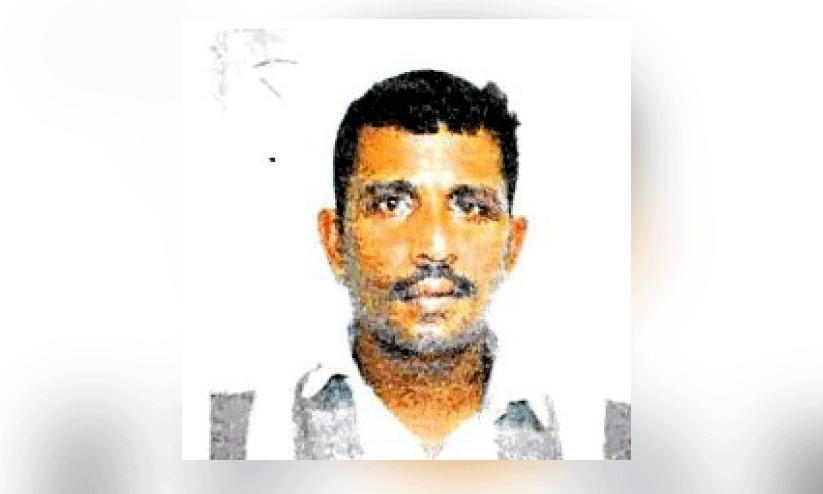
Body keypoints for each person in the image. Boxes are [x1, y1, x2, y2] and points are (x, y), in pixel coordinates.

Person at [209, 69, 630, 460]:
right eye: (392, 204)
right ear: (335, 241)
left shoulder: (611, 442)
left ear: (512, 246)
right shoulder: (229, 441)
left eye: (470, 207)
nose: (434, 247)